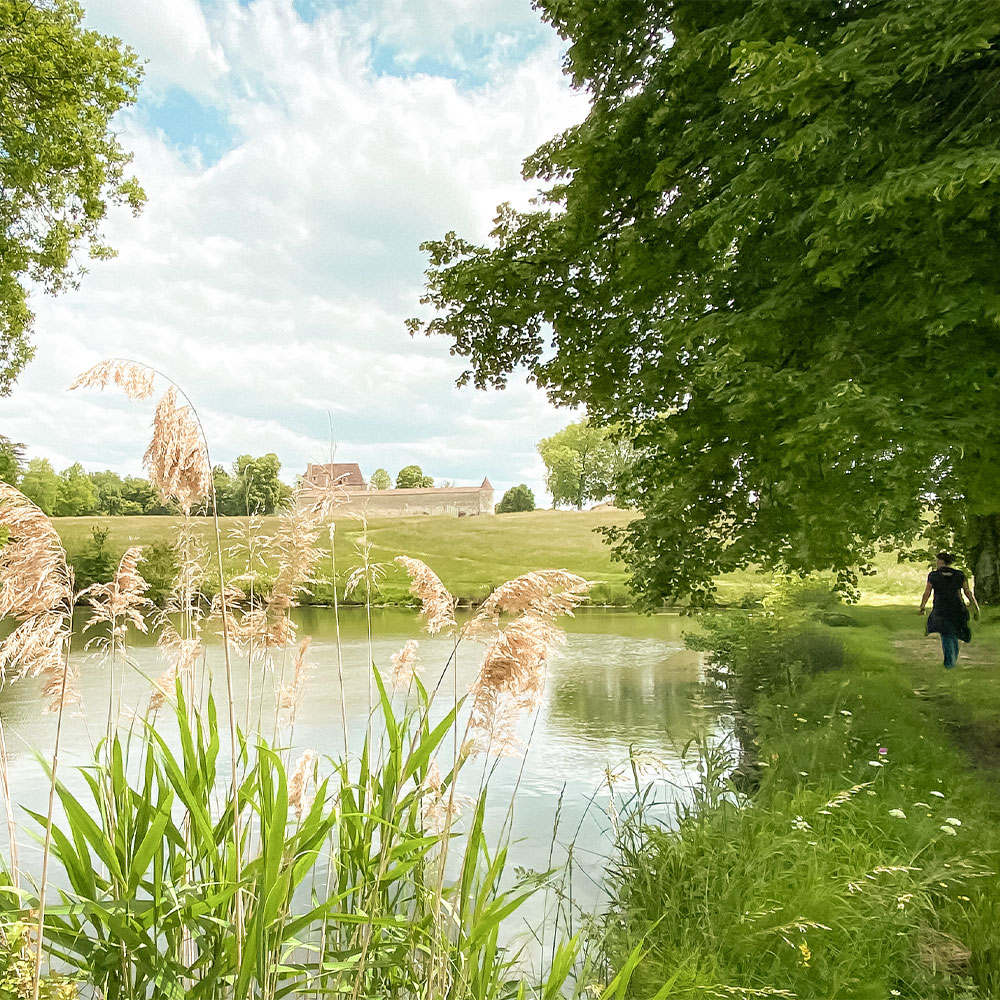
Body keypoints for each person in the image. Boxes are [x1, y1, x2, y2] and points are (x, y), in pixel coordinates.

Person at [919, 552, 980, 668]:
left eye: (937, 561)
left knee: (946, 634)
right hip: (958, 607)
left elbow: (927, 592)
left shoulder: (933, 575)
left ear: (941, 562)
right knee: (954, 634)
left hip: (941, 608)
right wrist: (975, 607)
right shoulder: (959, 575)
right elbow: (967, 592)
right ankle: (952, 659)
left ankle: (949, 662)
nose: (936, 563)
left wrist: (922, 606)